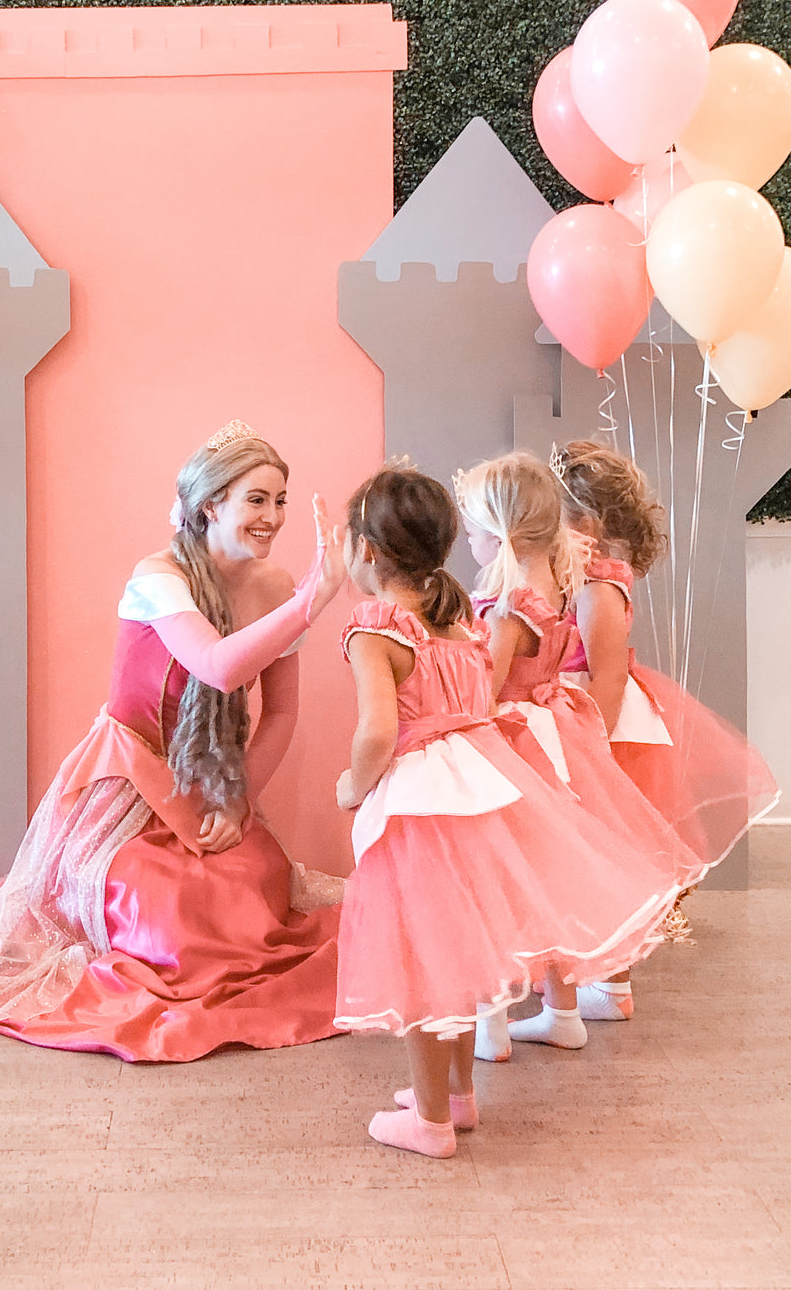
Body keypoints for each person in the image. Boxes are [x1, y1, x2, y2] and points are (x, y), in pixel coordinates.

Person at [0, 420, 346, 1062]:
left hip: (207, 784)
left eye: (280, 501)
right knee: (167, 910)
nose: (273, 516)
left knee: (250, 884)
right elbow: (217, 666)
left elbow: (281, 715)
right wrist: (311, 603)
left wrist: (238, 806)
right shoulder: (159, 575)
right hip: (128, 782)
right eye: (256, 499)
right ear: (211, 506)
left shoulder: (273, 588)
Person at [332, 466, 680, 1159]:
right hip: (482, 788)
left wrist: (351, 783)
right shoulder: (457, 620)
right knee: (460, 954)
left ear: (365, 550)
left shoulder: (375, 626)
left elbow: (377, 731)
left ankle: (429, 1121)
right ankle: (457, 1097)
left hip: (420, 807)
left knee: (424, 964)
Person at [457, 452, 703, 1056]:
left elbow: (486, 690)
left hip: (527, 735)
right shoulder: (559, 590)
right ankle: (561, 1009)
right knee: (558, 871)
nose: (466, 541)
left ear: (501, 532)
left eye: (471, 531)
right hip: (554, 729)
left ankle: (491, 1019)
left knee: (506, 878)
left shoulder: (518, 602)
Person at [553, 439, 780, 1020]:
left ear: (589, 523)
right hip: (585, 714)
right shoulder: (591, 579)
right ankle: (607, 984)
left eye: (554, 515)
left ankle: (605, 983)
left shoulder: (597, 588)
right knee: (597, 858)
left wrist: (590, 749)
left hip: (601, 726)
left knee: (602, 858)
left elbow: (603, 677)